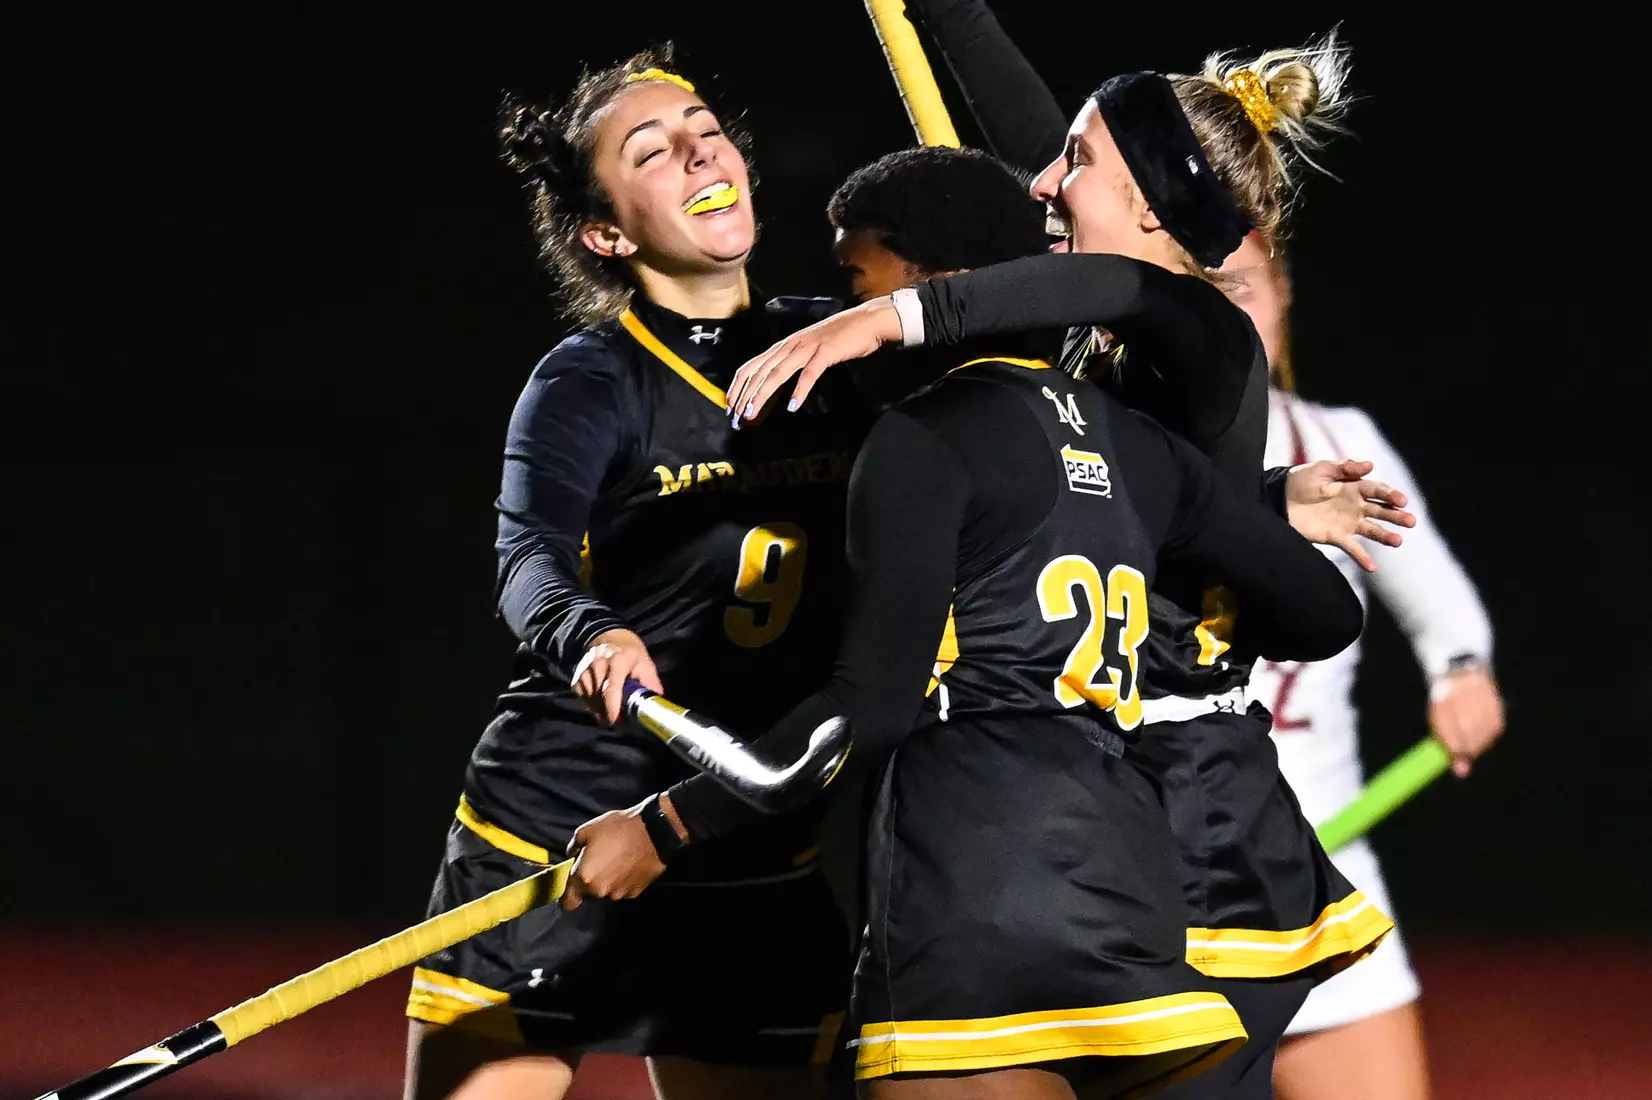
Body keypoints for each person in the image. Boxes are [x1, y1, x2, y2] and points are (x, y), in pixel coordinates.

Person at [567, 137, 1410, 1100]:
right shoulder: (1138, 445)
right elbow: (1323, 610)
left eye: (856, 276)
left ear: (930, 279)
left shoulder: (921, 438)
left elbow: (867, 708)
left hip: (973, 885)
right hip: (1131, 885)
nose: (846, 307)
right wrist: (1241, 511)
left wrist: (667, 825)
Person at [404, 51, 871, 1100]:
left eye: (704, 127)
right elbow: (526, 559)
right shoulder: (589, 379)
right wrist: (590, 631)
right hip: (559, 834)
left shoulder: (841, 354)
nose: (700, 149)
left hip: (747, 842)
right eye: (651, 151)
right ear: (606, 232)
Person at [1225, 230, 1505, 1100]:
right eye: (1191, 285)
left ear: (1282, 293)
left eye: (1240, 287)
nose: (1222, 313)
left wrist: (1462, 673)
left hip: (1323, 886)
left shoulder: (1342, 441)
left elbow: (1445, 610)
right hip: (1150, 892)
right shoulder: (1109, 448)